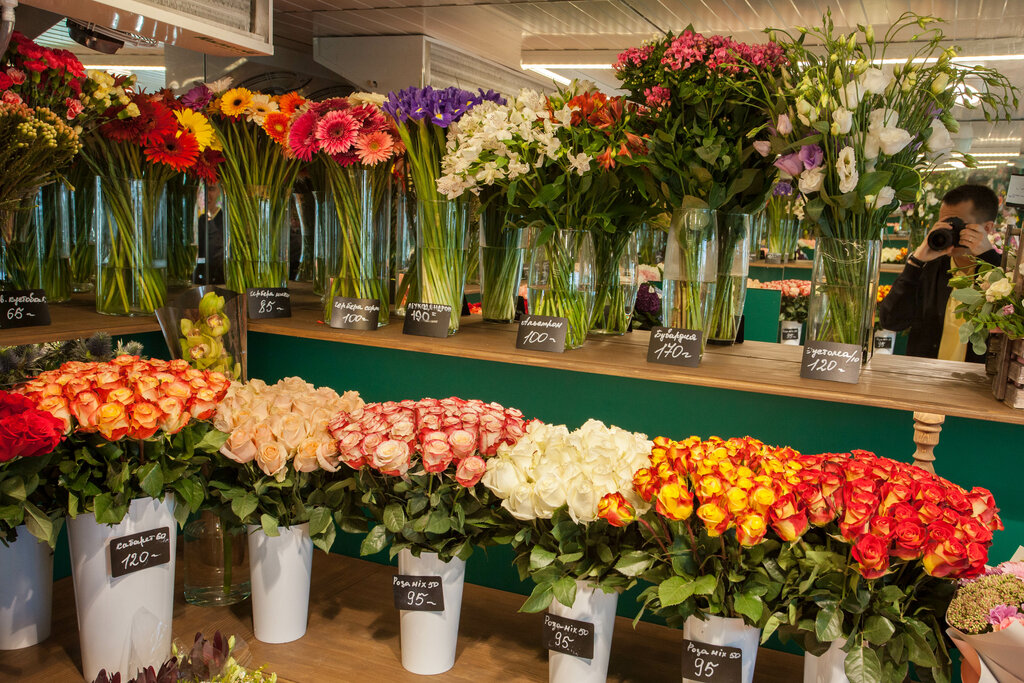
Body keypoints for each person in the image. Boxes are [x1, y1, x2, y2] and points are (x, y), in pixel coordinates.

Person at [878, 184, 1002, 363]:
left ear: (988, 228)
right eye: (946, 224)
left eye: (959, 225)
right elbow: (891, 321)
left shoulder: (1003, 275)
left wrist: (989, 259)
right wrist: (916, 262)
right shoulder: (929, 267)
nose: (951, 231)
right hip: (926, 375)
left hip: (977, 378)